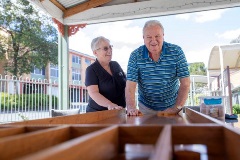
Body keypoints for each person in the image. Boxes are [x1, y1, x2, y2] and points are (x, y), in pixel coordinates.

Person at [125, 20, 190, 116]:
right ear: (143, 38)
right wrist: (131, 108)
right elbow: (130, 86)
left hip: (173, 106)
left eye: (157, 36)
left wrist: (176, 108)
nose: (153, 41)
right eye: (149, 37)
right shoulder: (135, 55)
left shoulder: (176, 52)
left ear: (163, 36)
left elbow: (185, 83)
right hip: (146, 108)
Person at [85, 36, 126, 112]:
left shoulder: (116, 65)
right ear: (95, 52)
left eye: (110, 47)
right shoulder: (91, 70)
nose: (110, 50)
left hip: (119, 112)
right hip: (98, 115)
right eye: (105, 48)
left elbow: (126, 84)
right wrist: (109, 104)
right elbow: (93, 93)